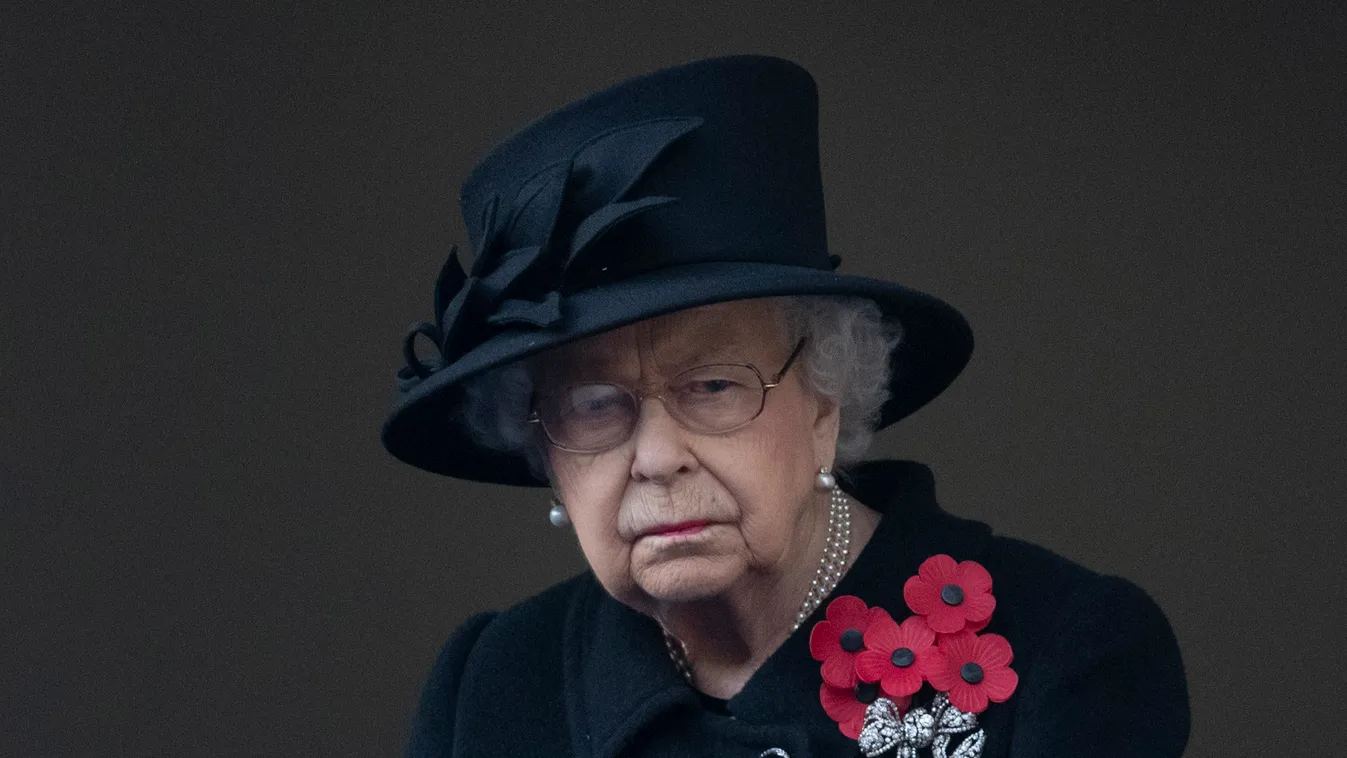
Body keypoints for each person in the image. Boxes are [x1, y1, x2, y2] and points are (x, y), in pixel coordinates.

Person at [383, 56, 1189, 758]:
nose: (657, 456)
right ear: (548, 458)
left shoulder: (1065, 649)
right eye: (595, 405)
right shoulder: (492, 683)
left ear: (825, 403)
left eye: (712, 386)